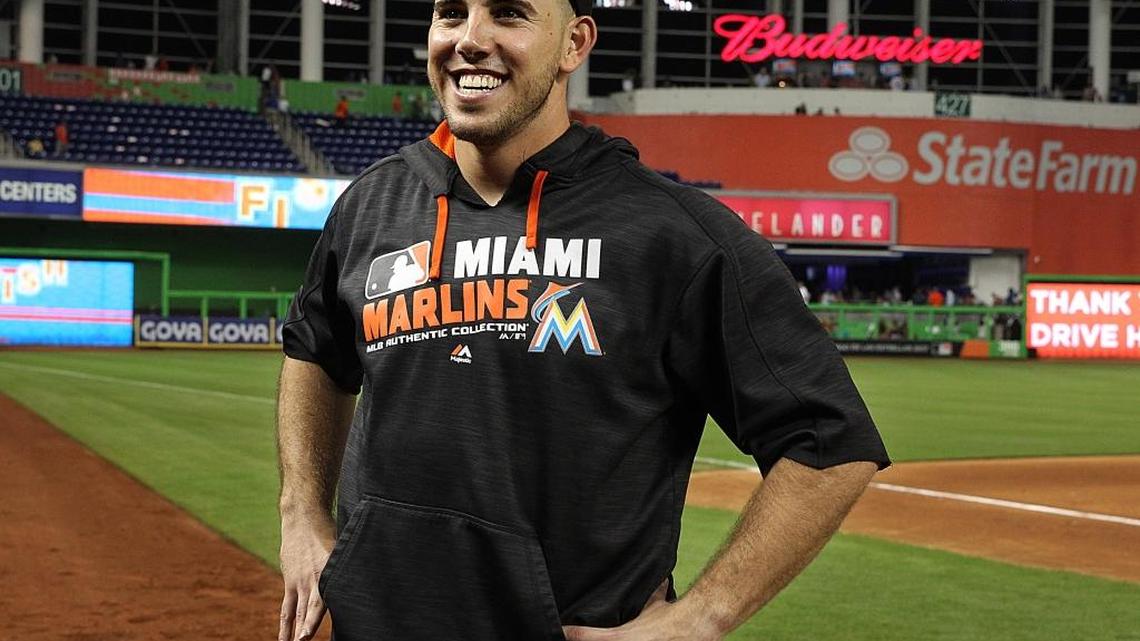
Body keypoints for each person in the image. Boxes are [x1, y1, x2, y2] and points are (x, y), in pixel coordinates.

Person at [275, 1, 890, 640]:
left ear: (574, 44)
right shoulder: (371, 205)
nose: (470, 40)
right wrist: (301, 513)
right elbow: (315, 349)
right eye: (451, 13)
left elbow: (828, 438)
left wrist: (701, 618)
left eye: (509, 14)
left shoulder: (673, 235)